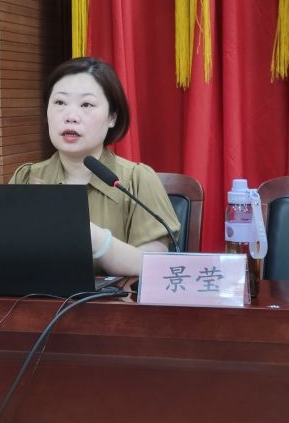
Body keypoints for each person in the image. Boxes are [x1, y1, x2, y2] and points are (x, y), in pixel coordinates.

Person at [10, 57, 180, 277]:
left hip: (115, 300)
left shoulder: (137, 180)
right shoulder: (26, 177)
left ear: (112, 117)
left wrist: (92, 236)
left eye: (86, 105)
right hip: (36, 299)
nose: (70, 117)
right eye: (60, 103)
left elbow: (155, 264)